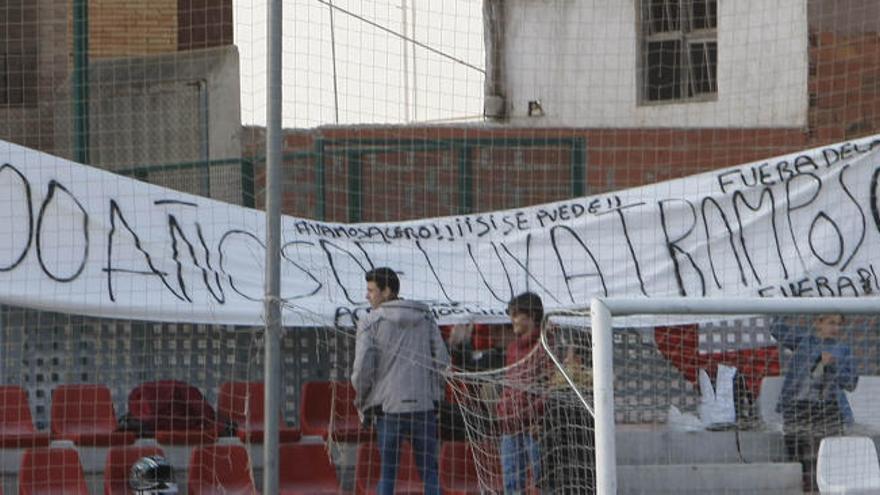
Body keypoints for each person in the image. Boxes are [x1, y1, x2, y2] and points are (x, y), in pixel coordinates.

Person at [351, 267, 450, 495]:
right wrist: (434, 393)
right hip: (424, 407)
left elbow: (362, 368)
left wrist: (362, 399)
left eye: (371, 290)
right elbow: (442, 360)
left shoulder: (369, 321)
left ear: (387, 291)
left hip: (389, 408)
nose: (367, 296)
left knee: (387, 474)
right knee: (430, 472)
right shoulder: (425, 318)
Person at [771, 314, 857, 493]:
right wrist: (787, 304)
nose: (835, 328)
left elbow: (850, 383)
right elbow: (776, 329)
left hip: (828, 407)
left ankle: (820, 489)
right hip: (798, 406)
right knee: (798, 454)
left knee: (824, 455)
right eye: (831, 323)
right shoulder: (804, 342)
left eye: (839, 324)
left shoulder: (843, 349)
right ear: (818, 323)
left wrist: (832, 365)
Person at [498, 291, 550, 493]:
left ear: (531, 316)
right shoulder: (512, 348)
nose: (512, 320)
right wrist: (503, 408)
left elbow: (551, 386)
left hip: (534, 427)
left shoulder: (546, 345)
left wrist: (538, 416)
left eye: (516, 315)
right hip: (511, 425)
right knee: (512, 484)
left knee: (544, 481)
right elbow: (510, 385)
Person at [543, 331, 595, 494]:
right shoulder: (599, 393)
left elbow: (549, 439)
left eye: (569, 356)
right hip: (587, 471)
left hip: (564, 470)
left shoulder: (559, 395)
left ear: (579, 360)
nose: (564, 361)